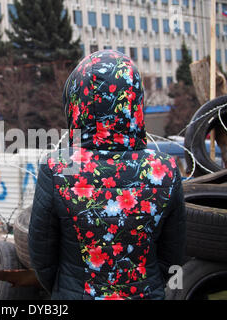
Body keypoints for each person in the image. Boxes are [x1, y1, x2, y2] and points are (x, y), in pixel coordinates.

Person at [28, 50, 186, 300]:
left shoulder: (58, 168)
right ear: (134, 99)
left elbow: (41, 254)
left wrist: (63, 289)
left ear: (75, 102)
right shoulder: (165, 169)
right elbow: (174, 255)